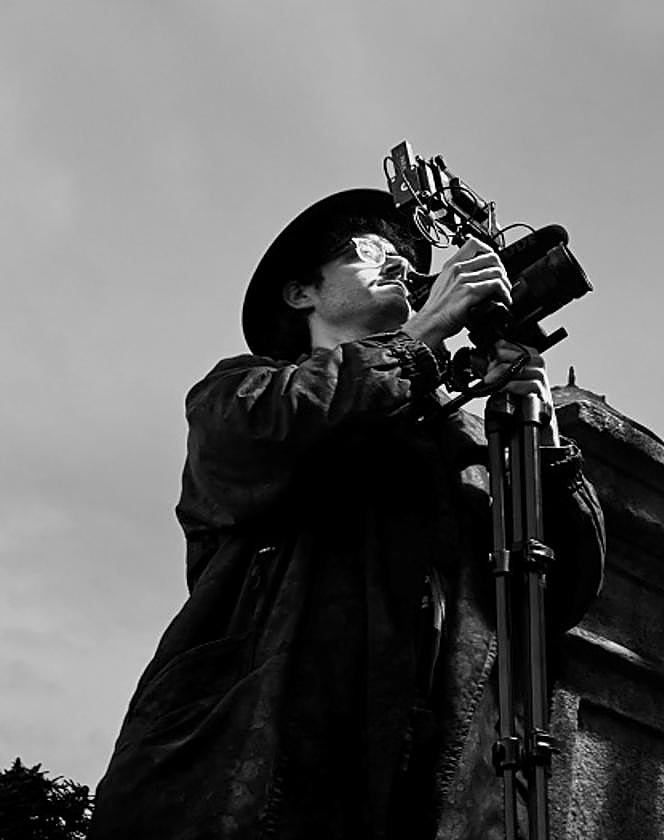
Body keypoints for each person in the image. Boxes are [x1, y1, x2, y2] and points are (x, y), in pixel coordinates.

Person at [90, 189, 606, 839]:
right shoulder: (239, 392)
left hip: (423, 793)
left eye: (409, 257)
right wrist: (421, 340)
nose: (396, 259)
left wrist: (544, 442)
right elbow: (279, 424)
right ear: (301, 293)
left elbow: (560, 591)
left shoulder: (462, 445)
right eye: (368, 250)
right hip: (254, 785)